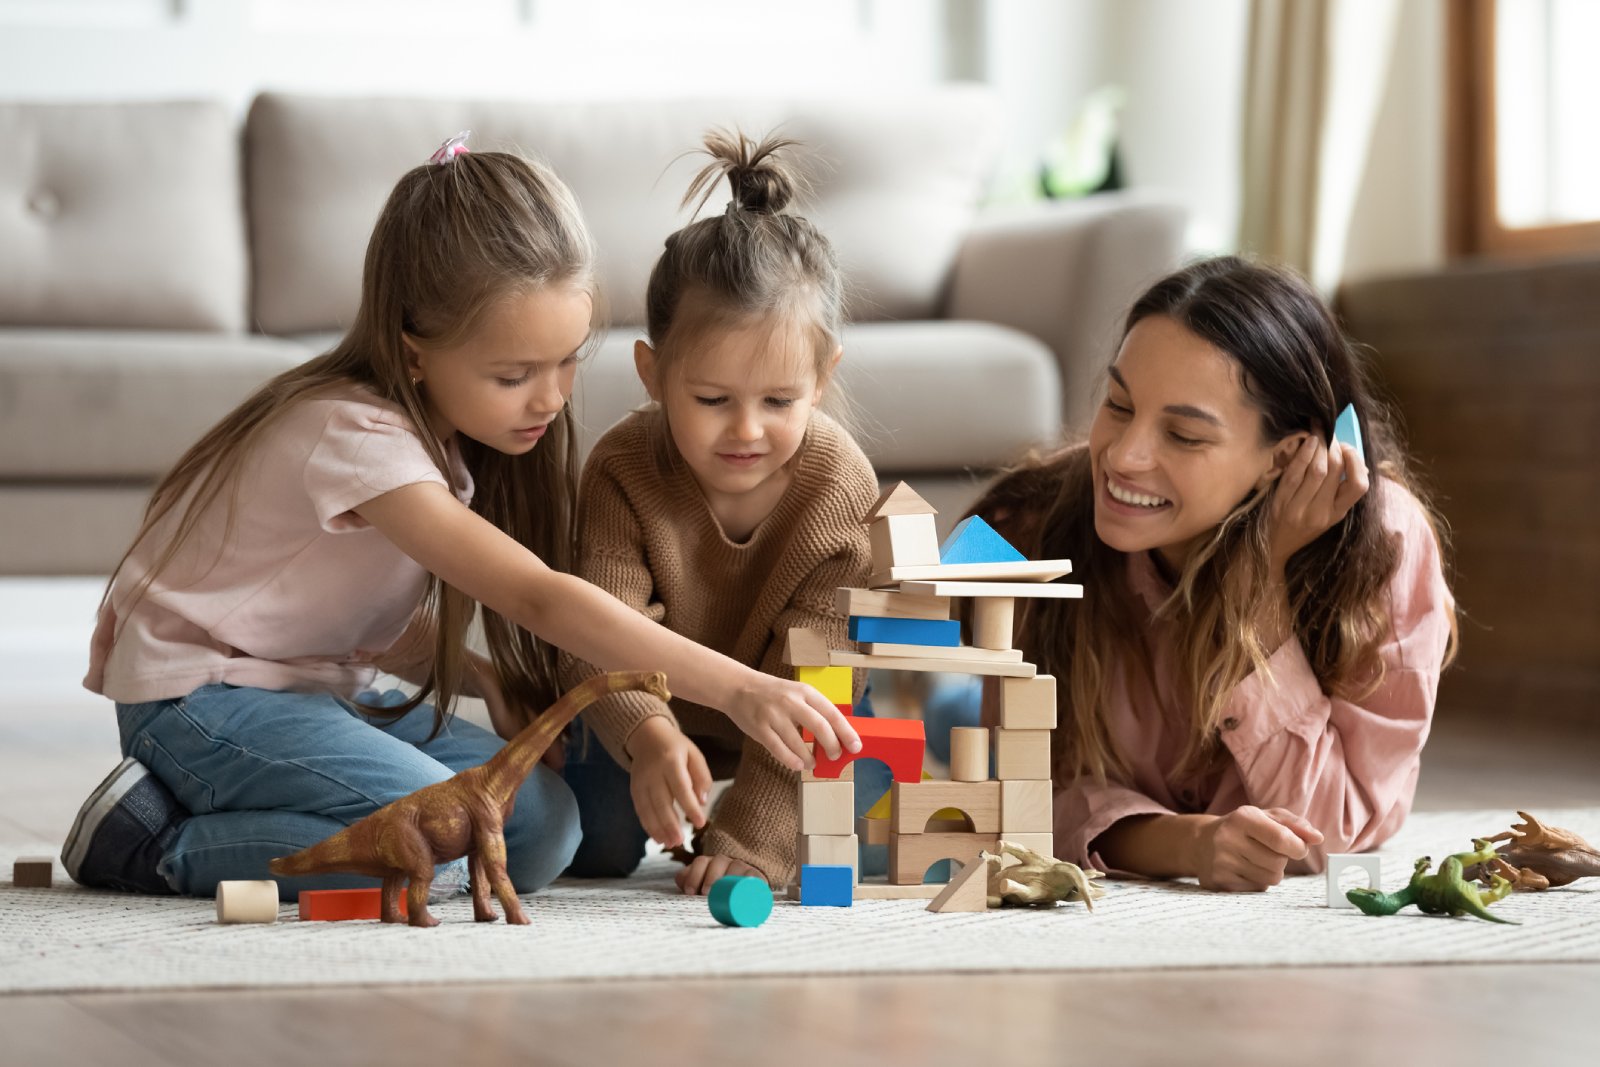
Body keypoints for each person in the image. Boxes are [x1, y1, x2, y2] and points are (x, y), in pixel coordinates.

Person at [63, 133, 858, 902]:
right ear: (415, 351)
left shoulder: (443, 447)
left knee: (541, 830)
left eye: (568, 361)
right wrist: (743, 690)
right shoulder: (354, 437)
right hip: (198, 699)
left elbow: (322, 609)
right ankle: (155, 840)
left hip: (312, 689)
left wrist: (483, 676)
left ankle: (221, 803)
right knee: (443, 842)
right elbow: (543, 598)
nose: (550, 397)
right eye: (515, 374)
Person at [969, 255, 1458, 892]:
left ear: (1287, 457)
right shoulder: (1022, 534)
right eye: (1119, 405)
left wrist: (1258, 591)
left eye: (1183, 435)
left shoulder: (1383, 546)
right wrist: (1178, 842)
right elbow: (988, 789)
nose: (1123, 455)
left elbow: (1335, 831)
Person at [559, 130, 878, 895]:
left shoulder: (839, 486)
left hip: (778, 722)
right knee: (593, 839)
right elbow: (591, 633)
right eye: (710, 401)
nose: (746, 430)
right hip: (640, 711)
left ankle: (746, 811)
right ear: (652, 374)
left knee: (853, 796)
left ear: (823, 377)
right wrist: (650, 734)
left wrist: (756, 835)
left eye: (778, 401)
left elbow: (821, 678)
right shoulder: (622, 467)